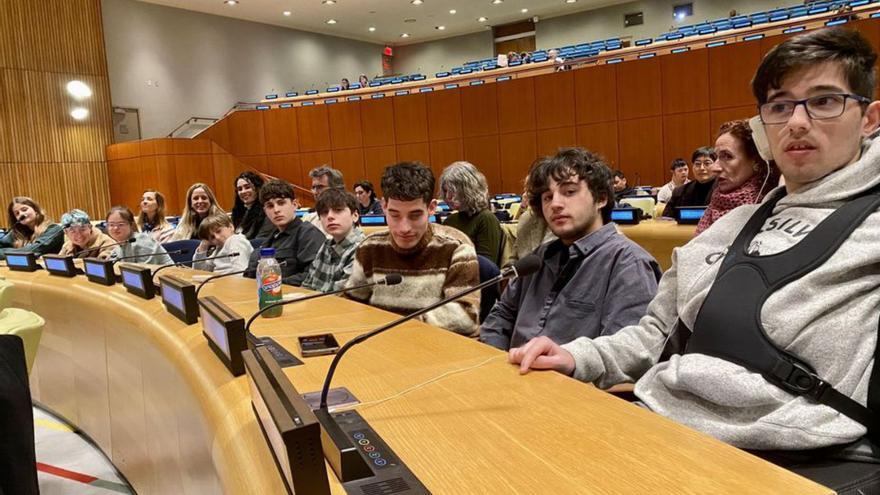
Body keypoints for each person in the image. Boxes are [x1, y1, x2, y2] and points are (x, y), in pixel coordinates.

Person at [508, 28, 880, 491]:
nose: (797, 123)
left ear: (869, 118)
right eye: (780, 106)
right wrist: (577, 354)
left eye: (824, 101)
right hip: (661, 429)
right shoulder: (728, 226)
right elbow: (655, 335)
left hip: (795, 463)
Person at [481, 148, 660, 351]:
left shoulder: (628, 263)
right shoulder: (539, 257)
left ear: (601, 198)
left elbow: (627, 353)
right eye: (547, 197)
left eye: (569, 192)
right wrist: (496, 361)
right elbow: (501, 316)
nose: (555, 204)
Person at [346, 162, 480, 336]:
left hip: (437, 348)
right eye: (394, 215)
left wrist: (392, 326)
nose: (404, 228)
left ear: (431, 207)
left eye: (415, 215)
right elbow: (351, 303)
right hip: (381, 347)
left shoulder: (457, 248)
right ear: (384, 206)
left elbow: (466, 317)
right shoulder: (369, 247)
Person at [696, 120, 781, 234]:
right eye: (716, 157)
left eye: (727, 156)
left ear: (757, 161)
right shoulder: (714, 202)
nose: (714, 168)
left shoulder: (773, 210)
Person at [243, 180, 324, 286]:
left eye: (281, 203)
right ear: (265, 211)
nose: (276, 210)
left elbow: (312, 276)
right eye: (270, 206)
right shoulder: (269, 240)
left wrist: (272, 284)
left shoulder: (309, 234)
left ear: (294, 204)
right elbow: (250, 275)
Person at [439, 161, 503, 266]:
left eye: (453, 191)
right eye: (446, 191)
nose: (448, 197)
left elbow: (487, 267)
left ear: (468, 191)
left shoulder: (486, 218)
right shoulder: (449, 220)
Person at [302, 188, 365, 292]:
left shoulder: (362, 249)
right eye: (324, 212)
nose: (330, 216)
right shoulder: (326, 245)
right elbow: (307, 285)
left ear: (355, 216)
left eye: (338, 210)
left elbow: (341, 297)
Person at [105, 206, 172, 265]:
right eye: (111, 225)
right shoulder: (119, 246)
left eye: (121, 224)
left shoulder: (143, 242)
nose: (115, 228)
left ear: (131, 225)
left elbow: (146, 272)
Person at [663, 147, 717, 215]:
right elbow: (666, 219)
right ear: (692, 167)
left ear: (716, 165)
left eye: (707, 163)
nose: (702, 168)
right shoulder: (679, 192)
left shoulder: (724, 190)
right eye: (697, 164)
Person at [231, 171, 274, 240]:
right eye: (239, 189)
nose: (243, 192)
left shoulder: (267, 211)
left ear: (258, 188)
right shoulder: (241, 212)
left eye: (247, 187)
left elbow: (260, 241)